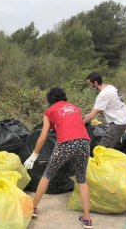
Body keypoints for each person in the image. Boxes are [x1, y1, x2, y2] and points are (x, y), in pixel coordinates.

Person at [24, 87, 92, 229]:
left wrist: (34, 155)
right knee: (81, 179)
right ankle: (87, 219)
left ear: (49, 100)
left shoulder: (49, 111)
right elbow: (73, 124)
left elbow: (43, 136)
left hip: (66, 143)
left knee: (47, 175)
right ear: (64, 97)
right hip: (85, 141)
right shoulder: (75, 108)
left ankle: (33, 208)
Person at [83, 72, 126, 148]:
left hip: (118, 123)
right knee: (112, 146)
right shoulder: (111, 87)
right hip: (123, 120)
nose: (90, 86)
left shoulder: (103, 94)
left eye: (90, 84)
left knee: (102, 148)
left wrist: (81, 123)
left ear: (95, 83)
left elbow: (91, 116)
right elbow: (107, 105)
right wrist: (92, 114)